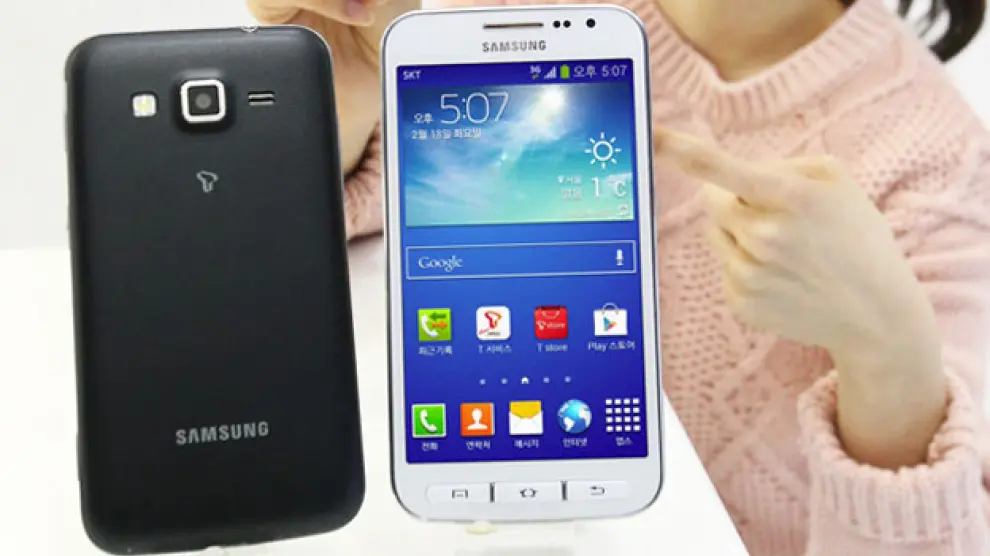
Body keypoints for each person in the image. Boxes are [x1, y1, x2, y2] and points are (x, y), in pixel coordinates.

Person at [248, 0, 990, 553]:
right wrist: (333, 113)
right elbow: (381, 213)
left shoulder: (941, 163)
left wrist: (887, 353)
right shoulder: (531, 14)